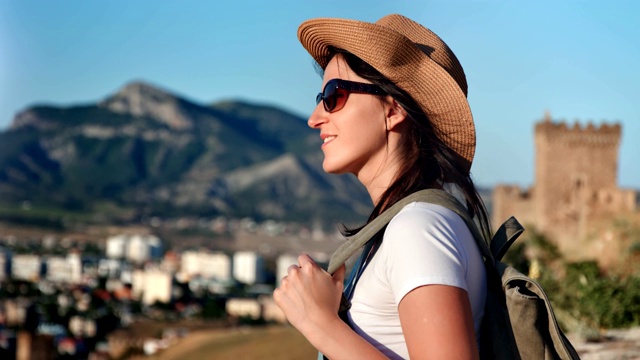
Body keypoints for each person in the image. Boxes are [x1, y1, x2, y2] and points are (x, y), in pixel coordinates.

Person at [273, 14, 491, 359]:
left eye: (334, 95)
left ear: (393, 109)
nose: (314, 117)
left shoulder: (417, 228)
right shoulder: (407, 226)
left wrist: (318, 323)